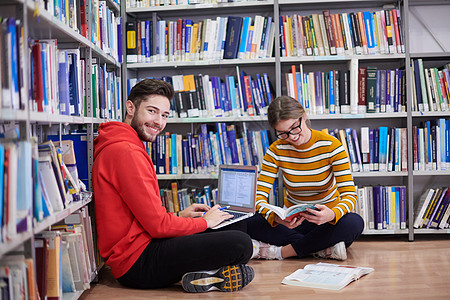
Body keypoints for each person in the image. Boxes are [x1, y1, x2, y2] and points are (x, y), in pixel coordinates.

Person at [92, 79, 254, 293]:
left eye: (165, 115)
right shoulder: (126, 152)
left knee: (233, 225)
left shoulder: (126, 144)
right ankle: (208, 275)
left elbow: (143, 216)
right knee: (241, 243)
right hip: (138, 263)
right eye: (152, 111)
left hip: (144, 245)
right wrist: (204, 223)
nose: (158, 121)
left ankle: (201, 273)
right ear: (131, 107)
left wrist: (181, 215)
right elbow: (158, 227)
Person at [248, 95, 364, 261]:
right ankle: (321, 248)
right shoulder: (276, 150)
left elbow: (350, 196)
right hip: (293, 224)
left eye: (295, 128)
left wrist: (331, 214)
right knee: (249, 221)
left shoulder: (332, 146)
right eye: (283, 133)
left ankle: (280, 252)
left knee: (354, 223)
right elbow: (258, 197)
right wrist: (277, 219)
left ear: (304, 117)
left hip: (325, 222)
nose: (292, 137)